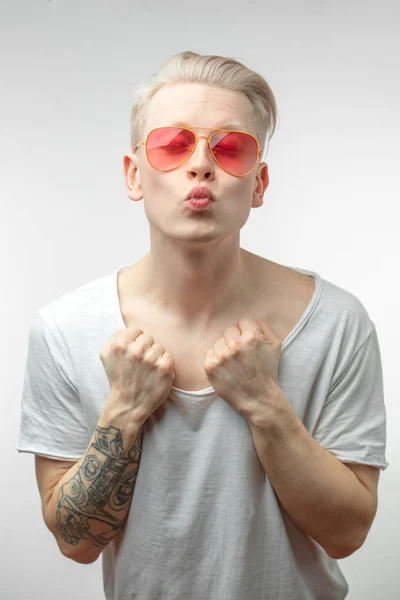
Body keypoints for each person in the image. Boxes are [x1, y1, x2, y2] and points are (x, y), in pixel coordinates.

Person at [17, 51, 388, 600]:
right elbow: (76, 542)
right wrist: (123, 410)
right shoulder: (64, 328)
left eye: (230, 148)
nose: (201, 165)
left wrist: (264, 401)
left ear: (259, 184)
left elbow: (347, 533)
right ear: (133, 174)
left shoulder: (335, 322)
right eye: (173, 144)